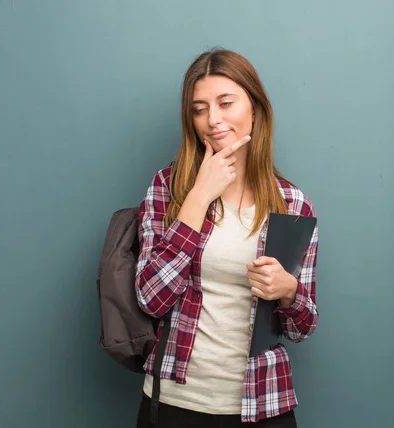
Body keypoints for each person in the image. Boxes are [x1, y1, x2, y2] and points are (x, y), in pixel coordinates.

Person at [134, 48, 319, 427]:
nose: (212, 120)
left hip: (263, 404)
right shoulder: (167, 188)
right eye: (199, 109)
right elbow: (151, 298)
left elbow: (302, 327)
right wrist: (200, 194)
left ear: (255, 107)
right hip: (176, 402)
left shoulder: (292, 204)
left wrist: (288, 290)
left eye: (225, 103)